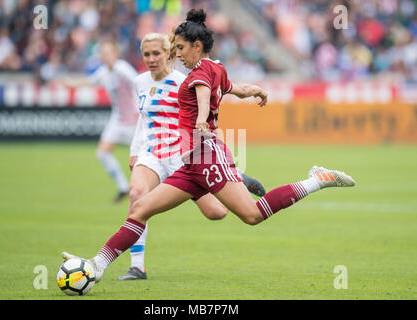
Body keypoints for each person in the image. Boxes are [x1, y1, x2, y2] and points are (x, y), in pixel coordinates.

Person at [62, 9, 355, 284]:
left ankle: (315, 180)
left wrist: (202, 118)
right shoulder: (216, 68)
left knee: (252, 215)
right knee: (139, 209)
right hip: (191, 163)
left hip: (206, 155)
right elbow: (235, 89)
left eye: (179, 48)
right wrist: (255, 90)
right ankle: (96, 266)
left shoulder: (198, 74)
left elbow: (203, 96)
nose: (176, 54)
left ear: (197, 46)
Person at [118, 32, 266, 280]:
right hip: (152, 153)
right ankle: (137, 266)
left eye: (157, 53)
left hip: (182, 154)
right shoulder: (139, 82)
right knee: (136, 195)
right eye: (146, 54)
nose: (151, 59)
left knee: (216, 213)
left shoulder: (184, 81)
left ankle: (232, 176)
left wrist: (208, 149)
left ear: (169, 53)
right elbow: (142, 120)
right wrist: (135, 151)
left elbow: (202, 118)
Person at [61, 40, 139, 202]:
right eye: (104, 53)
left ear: (116, 54)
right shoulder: (103, 72)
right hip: (117, 120)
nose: (107, 56)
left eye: (109, 52)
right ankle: (123, 187)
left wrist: (142, 107)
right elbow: (90, 81)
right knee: (102, 152)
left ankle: (151, 187)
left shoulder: (123, 68)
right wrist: (71, 85)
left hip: (134, 120)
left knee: (141, 158)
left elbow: (139, 84)